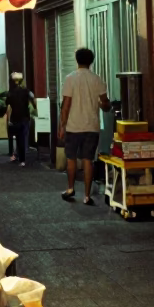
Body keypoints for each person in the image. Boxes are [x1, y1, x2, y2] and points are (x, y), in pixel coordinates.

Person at [57, 48, 111, 204]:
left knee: (71, 159)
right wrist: (103, 105)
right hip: (92, 126)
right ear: (91, 61)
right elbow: (105, 102)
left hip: (73, 127)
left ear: (76, 60)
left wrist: (62, 126)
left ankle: (70, 189)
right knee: (88, 160)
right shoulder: (97, 79)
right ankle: (87, 196)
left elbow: (66, 105)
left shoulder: (70, 79)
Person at [5, 72, 36, 166]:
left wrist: (8, 120)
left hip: (15, 118)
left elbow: (7, 107)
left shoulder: (10, 93)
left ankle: (18, 156)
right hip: (25, 117)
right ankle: (21, 158)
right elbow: (33, 100)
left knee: (19, 139)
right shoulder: (26, 91)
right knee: (23, 137)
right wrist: (35, 109)